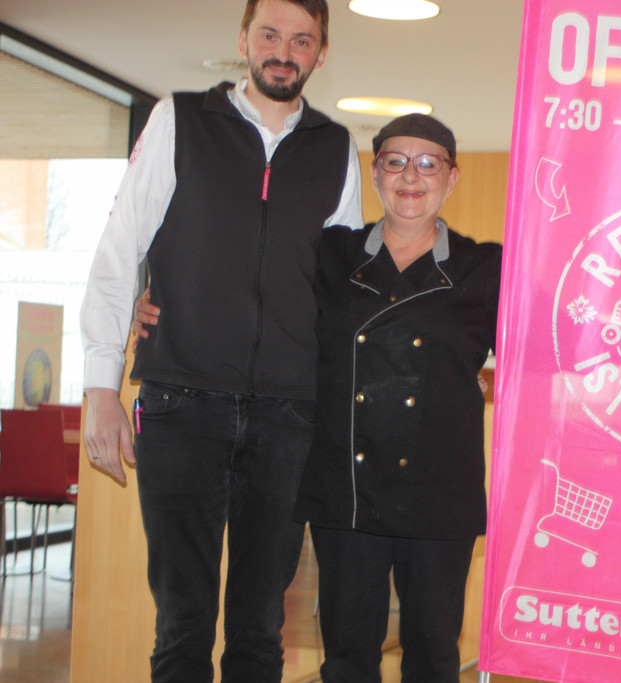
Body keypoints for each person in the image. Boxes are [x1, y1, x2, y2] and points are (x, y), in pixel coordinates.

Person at [79, 0, 362, 680]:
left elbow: (343, 290)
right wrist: (99, 387)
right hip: (181, 403)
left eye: (302, 40)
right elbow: (118, 252)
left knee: (261, 628)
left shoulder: (336, 148)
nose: (283, 52)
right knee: (183, 622)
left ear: (321, 53)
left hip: (290, 416)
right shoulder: (179, 119)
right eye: (270, 34)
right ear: (243, 39)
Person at [294, 113, 502, 683]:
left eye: (428, 163)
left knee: (433, 658)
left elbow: (547, 342)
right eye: (395, 161)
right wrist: (158, 303)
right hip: (346, 488)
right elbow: (259, 298)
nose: (411, 176)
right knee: (346, 658)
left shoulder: (485, 266)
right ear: (375, 173)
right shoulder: (330, 254)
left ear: (451, 178)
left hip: (439, 491)